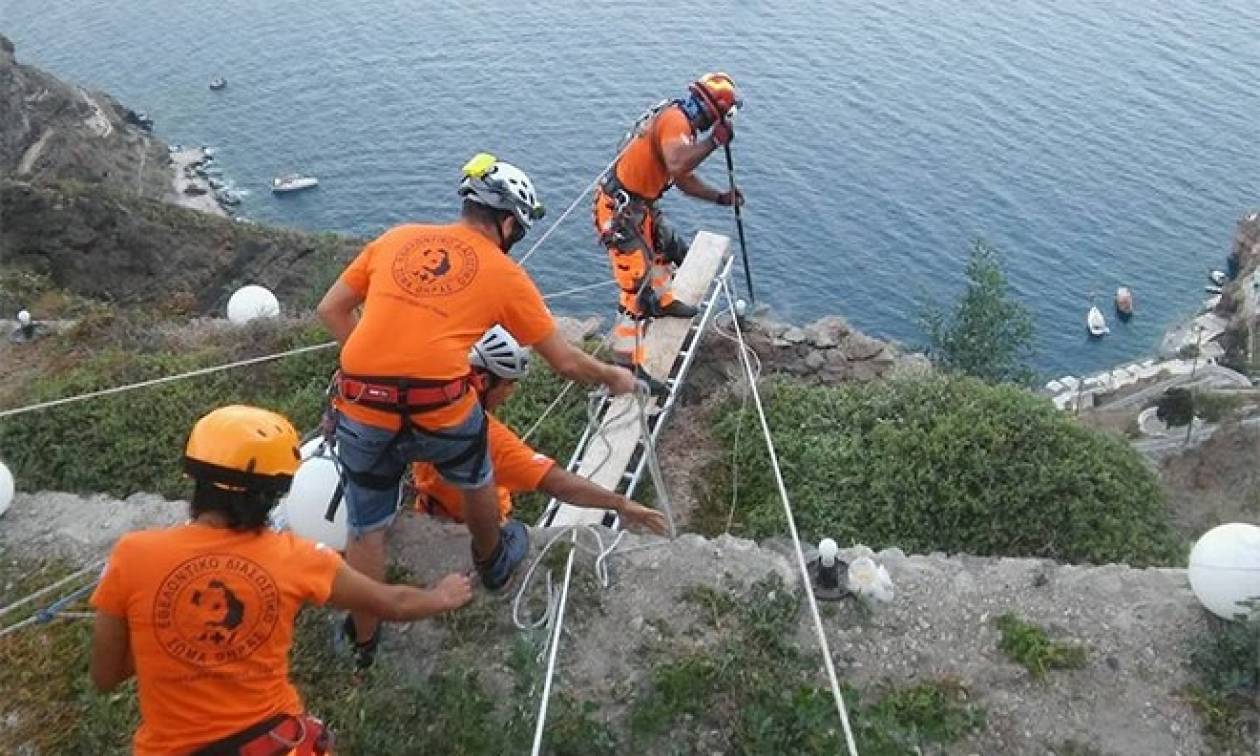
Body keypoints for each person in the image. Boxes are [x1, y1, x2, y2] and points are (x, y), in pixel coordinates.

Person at [316, 153, 636, 668]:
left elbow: (330, 309)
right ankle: (491, 563)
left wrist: (379, 375)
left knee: (366, 528)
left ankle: (363, 643)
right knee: (476, 470)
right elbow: (565, 361)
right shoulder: (505, 275)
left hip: (365, 406)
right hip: (441, 407)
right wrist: (613, 376)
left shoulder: (396, 238)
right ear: (508, 222)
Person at [89, 405, 473, 756]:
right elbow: (391, 603)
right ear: (277, 492)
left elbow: (105, 676)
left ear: (195, 476)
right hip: (274, 744)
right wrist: (442, 596)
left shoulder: (132, 555)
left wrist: (174, 633)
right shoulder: (297, 558)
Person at [412, 326, 668, 535]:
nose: (511, 392)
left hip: (428, 511)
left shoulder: (425, 402)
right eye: (509, 384)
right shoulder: (487, 438)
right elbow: (557, 483)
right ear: (484, 381)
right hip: (474, 531)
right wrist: (621, 504)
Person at [593, 72, 744, 394]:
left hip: (638, 207)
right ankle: (627, 369)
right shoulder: (676, 123)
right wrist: (715, 141)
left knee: (665, 249)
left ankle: (663, 303)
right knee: (635, 292)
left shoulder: (679, 122)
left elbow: (684, 178)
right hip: (620, 212)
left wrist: (720, 198)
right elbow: (678, 164)